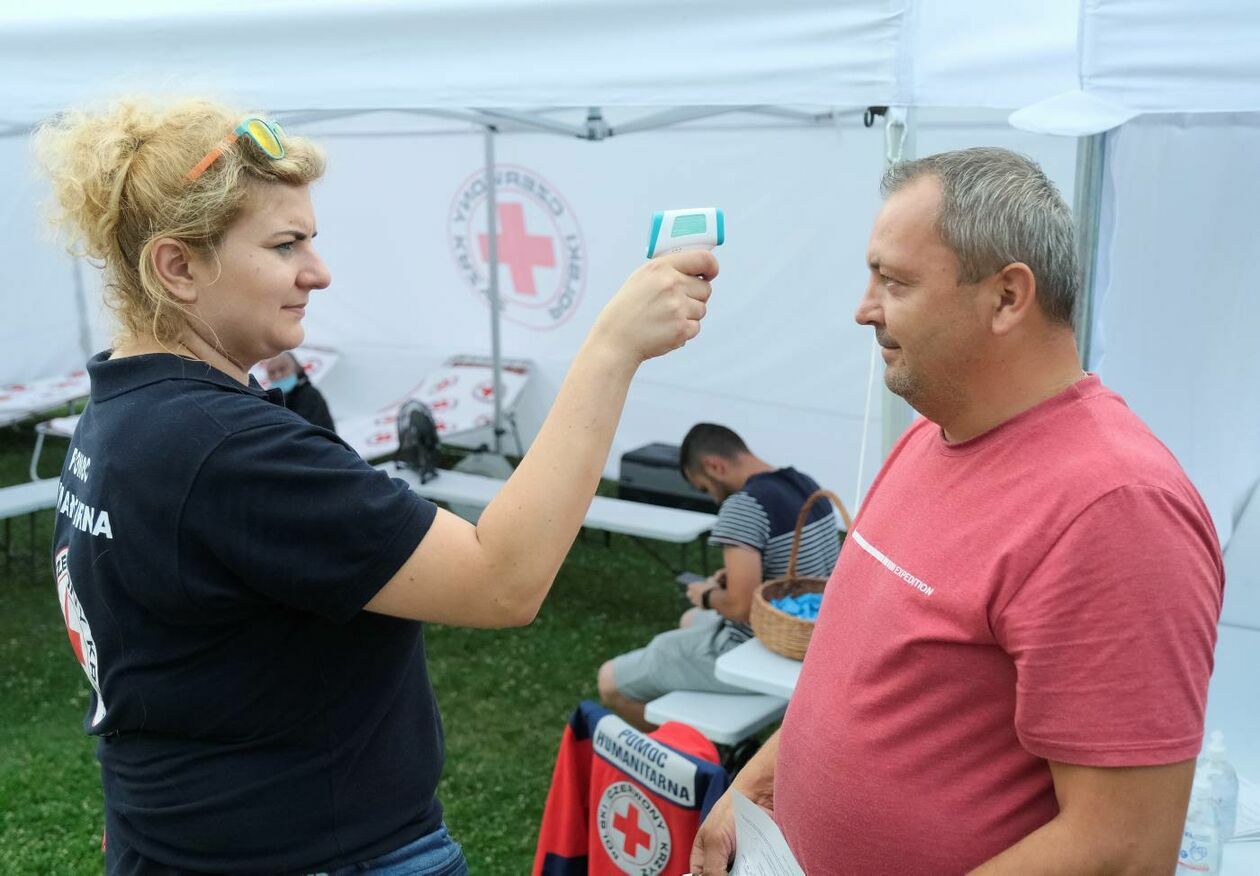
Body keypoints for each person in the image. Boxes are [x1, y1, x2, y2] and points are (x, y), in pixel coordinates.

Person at [38, 98, 717, 875]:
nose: (317, 272)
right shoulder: (224, 449)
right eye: (286, 244)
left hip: (174, 840)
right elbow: (502, 580)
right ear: (178, 267)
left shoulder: (120, 413)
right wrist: (611, 349)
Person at [690, 147, 1224, 875]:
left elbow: (1122, 848)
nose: (863, 308)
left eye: (894, 281)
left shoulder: (1117, 508)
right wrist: (754, 787)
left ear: (1007, 297)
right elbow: (858, 680)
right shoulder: (927, 437)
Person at [598, 423, 840, 730]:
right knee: (690, 619)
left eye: (704, 487)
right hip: (808, 639)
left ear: (715, 466)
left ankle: (695, 760)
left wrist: (707, 594)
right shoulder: (806, 485)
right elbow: (800, 568)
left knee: (609, 681)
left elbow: (739, 608)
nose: (712, 497)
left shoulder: (744, 506)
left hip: (759, 648)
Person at [265, 349, 335, 430]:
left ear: (296, 369)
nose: (278, 376)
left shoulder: (309, 395)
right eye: (272, 372)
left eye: (282, 369)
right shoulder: (270, 401)